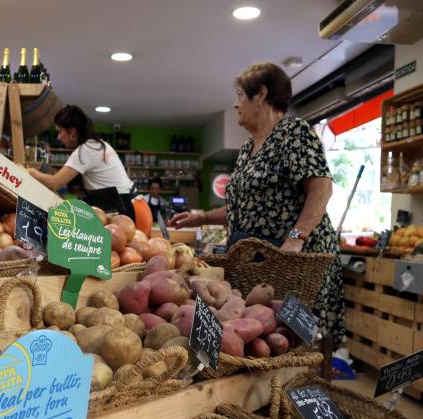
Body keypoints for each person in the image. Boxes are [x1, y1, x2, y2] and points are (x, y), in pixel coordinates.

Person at [169, 61, 345, 347]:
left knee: (295, 343)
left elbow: (321, 188)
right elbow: (245, 210)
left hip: (294, 266)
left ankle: (301, 386)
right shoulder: (247, 150)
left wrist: (295, 239)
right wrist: (200, 218)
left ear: (261, 94)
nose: (235, 104)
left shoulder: (293, 132)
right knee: (265, 338)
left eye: (240, 95)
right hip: (264, 264)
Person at [28, 105, 137, 219]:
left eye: (60, 132)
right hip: (124, 203)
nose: (59, 137)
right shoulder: (98, 144)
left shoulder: (85, 150)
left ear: (72, 132)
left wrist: (31, 172)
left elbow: (54, 183)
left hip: (119, 207)